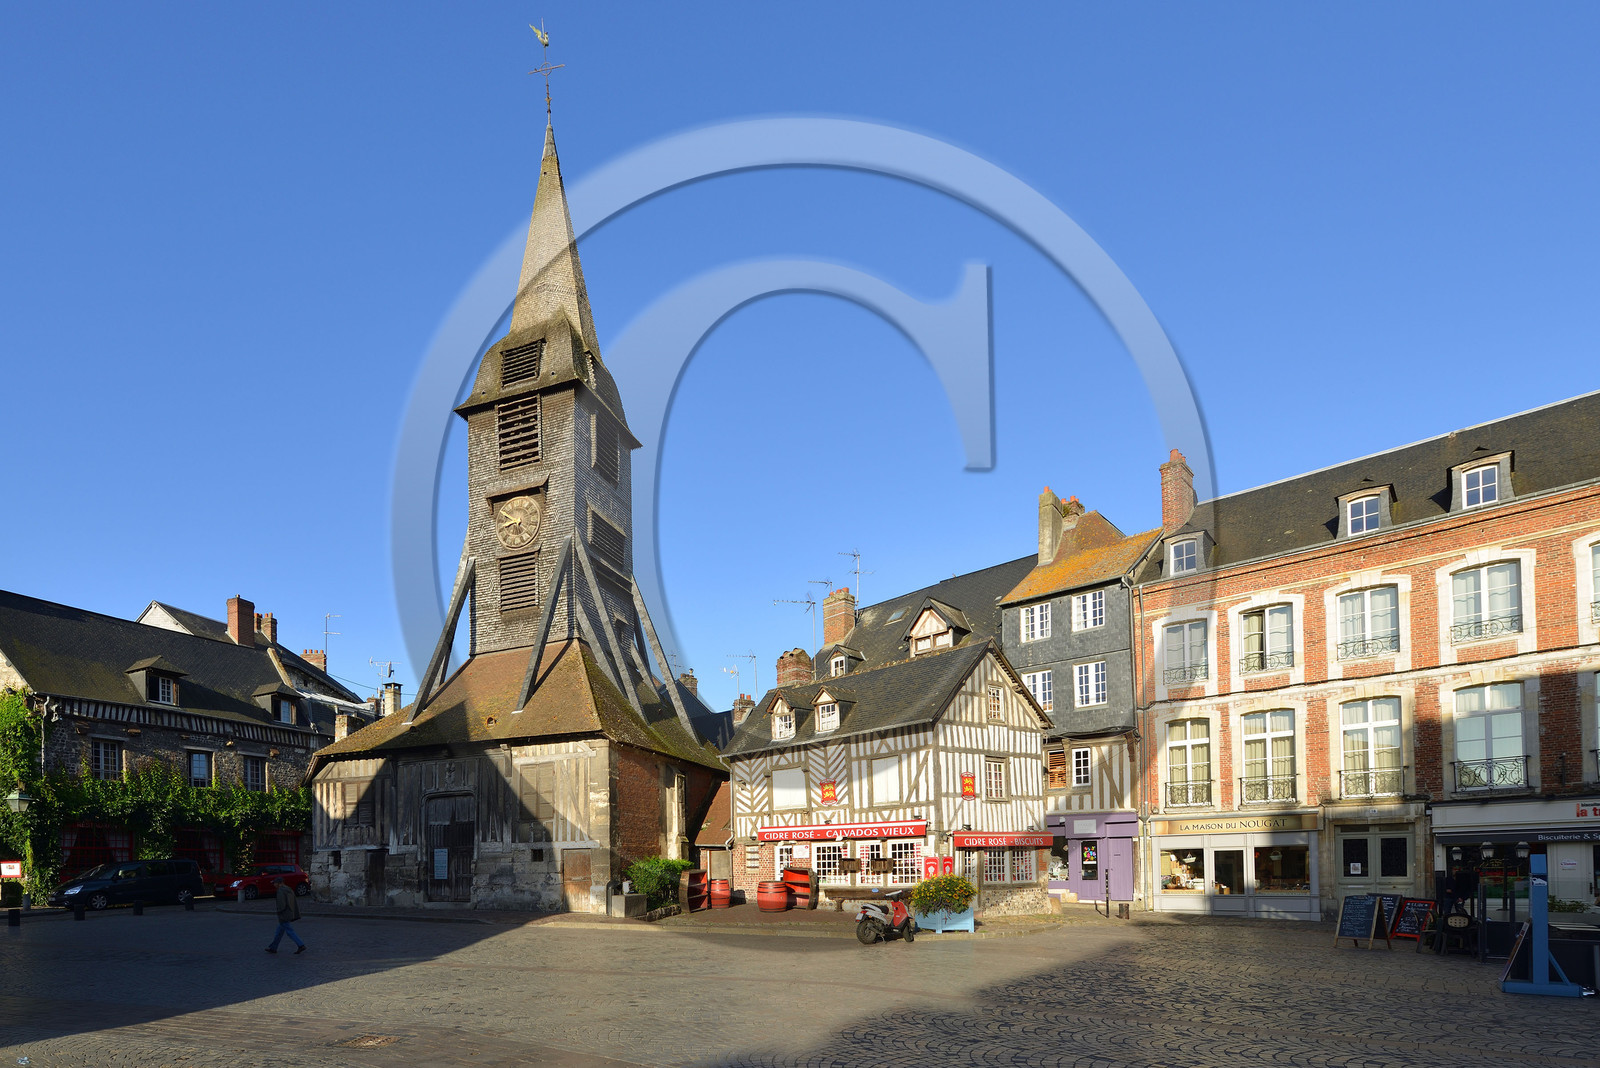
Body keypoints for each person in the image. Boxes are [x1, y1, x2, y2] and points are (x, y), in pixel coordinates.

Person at [265, 877, 306, 954]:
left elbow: (281, 904)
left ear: (279, 883)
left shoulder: (280, 891)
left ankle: (300, 945)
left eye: (274, 883)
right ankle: (273, 947)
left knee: (289, 931)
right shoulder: (288, 889)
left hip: (284, 914)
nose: (274, 885)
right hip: (289, 912)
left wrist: (279, 911)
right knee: (279, 932)